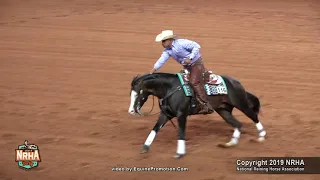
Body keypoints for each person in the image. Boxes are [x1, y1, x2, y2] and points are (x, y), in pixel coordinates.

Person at [150, 30, 214, 114]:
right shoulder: (167, 51)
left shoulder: (181, 43)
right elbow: (161, 60)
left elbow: (197, 46)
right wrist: (153, 70)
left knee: (193, 82)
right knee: (180, 82)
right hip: (187, 67)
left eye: (163, 41)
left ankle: (206, 105)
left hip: (196, 64)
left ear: (169, 39)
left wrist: (190, 58)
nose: (162, 43)